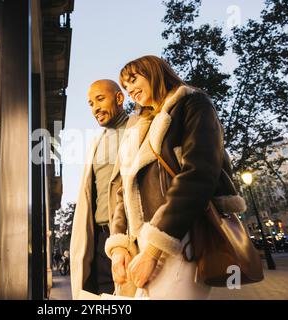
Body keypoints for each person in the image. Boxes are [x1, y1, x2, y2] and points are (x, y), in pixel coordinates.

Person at [104, 55, 246, 299]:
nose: (130, 91)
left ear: (154, 72)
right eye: (125, 87)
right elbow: (121, 190)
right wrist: (119, 247)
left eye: (133, 79)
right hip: (141, 245)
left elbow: (198, 175)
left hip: (182, 239)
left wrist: (153, 251)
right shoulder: (136, 127)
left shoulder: (193, 103)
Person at [70, 79, 135, 299]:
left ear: (119, 98)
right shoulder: (95, 144)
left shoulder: (139, 128)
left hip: (131, 237)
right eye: (90, 103)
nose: (95, 108)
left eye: (100, 99)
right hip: (100, 241)